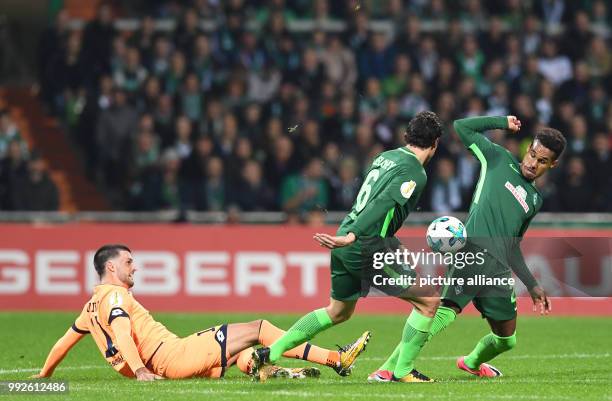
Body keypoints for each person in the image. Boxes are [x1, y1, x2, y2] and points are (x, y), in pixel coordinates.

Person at [251, 111, 444, 383]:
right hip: (362, 243)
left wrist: (381, 240)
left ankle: (271, 353)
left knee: (338, 311)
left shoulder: (385, 158)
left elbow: (370, 202)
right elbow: (382, 204)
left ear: (405, 137)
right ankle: (402, 371)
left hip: (348, 237)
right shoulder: (415, 172)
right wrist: (355, 235)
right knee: (430, 301)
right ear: (435, 144)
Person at [32, 245, 370, 381]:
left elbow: (65, 342)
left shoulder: (91, 306)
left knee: (241, 351)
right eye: (128, 262)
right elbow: (121, 332)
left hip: (170, 357)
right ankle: (335, 359)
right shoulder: (115, 297)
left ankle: (273, 371)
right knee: (259, 327)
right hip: (170, 357)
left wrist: (45, 375)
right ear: (110, 267)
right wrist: (139, 370)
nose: (134, 267)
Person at [408, 115, 565, 379]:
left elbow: (512, 245)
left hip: (497, 269)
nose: (533, 163)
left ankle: (471, 362)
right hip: (471, 253)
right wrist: (502, 122)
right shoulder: (498, 159)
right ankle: (392, 368)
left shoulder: (535, 200)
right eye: (532, 155)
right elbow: (461, 126)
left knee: (507, 340)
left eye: (542, 161)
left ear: (552, 165)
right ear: (527, 149)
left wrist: (531, 283)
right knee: (443, 314)